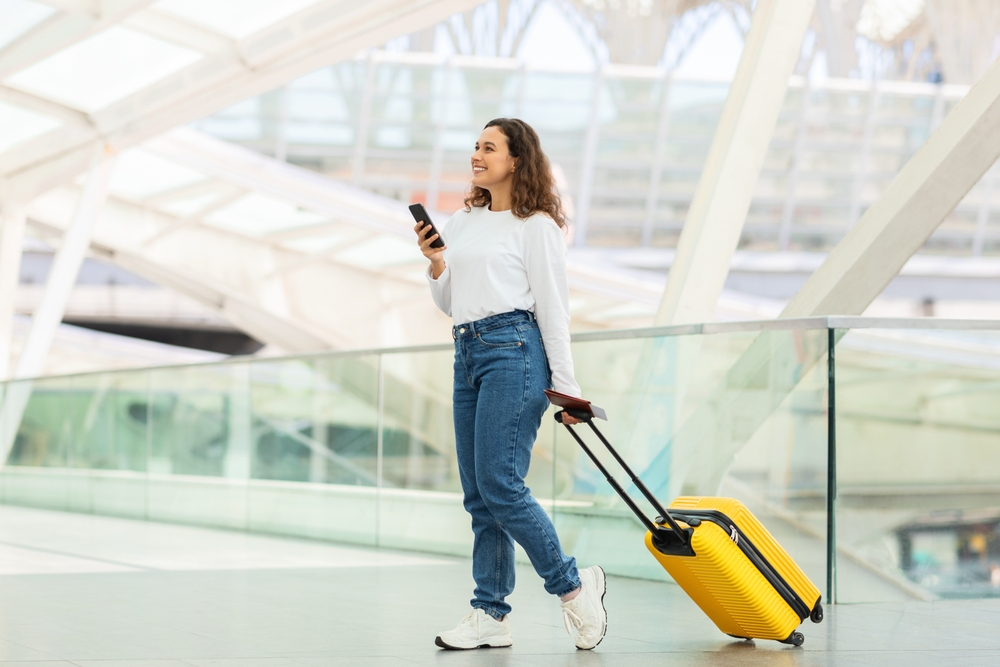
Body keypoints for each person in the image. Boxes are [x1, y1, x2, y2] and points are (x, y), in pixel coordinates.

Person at [415, 118, 607, 651]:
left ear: (517, 159)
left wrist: (566, 390)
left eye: (490, 148)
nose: (477, 154)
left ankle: (573, 587)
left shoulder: (536, 226)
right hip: (468, 350)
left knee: (500, 483)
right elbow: (453, 302)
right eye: (475, 146)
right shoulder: (466, 219)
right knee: (479, 494)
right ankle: (490, 615)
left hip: (515, 353)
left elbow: (554, 311)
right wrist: (436, 264)